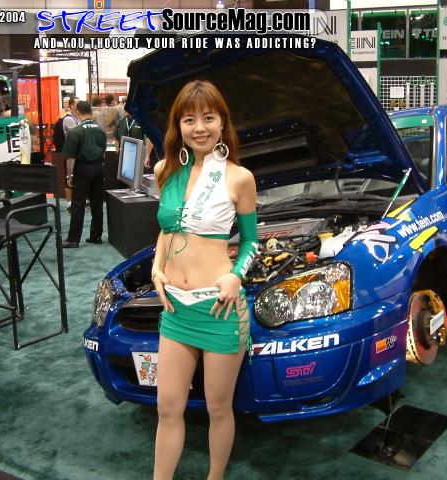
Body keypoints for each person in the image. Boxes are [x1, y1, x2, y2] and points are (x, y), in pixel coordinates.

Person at [151, 80, 258, 480]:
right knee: (167, 407)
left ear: (222, 123)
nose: (199, 128)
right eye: (189, 119)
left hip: (220, 307)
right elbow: (166, 230)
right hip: (176, 309)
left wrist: (235, 276)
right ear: (178, 126)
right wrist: (157, 267)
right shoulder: (165, 171)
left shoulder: (239, 178)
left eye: (208, 118)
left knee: (218, 408)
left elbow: (251, 242)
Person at [61, 100, 106, 248]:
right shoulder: (100, 130)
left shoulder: (76, 131)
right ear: (91, 112)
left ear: (78, 112)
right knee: (97, 203)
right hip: (98, 169)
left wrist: (69, 176)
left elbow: (70, 157)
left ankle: (73, 239)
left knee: (78, 204)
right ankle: (96, 236)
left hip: (83, 170)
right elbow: (103, 152)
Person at [113, 105, 155, 171]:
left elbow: (149, 138)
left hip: (137, 154)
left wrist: (147, 156)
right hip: (124, 155)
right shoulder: (121, 121)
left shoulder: (142, 121)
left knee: (136, 174)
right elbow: (116, 137)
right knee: (124, 175)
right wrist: (117, 151)